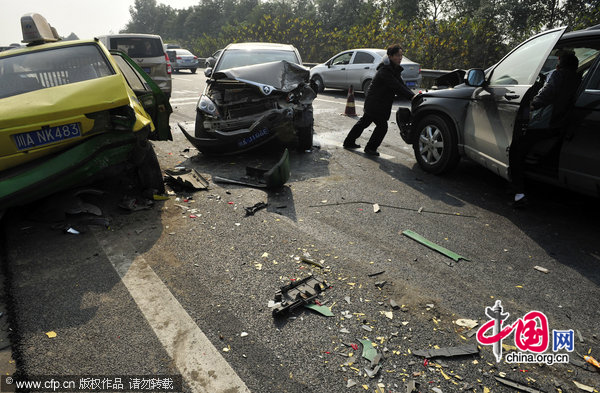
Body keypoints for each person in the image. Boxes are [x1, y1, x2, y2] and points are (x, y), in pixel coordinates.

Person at [509, 52, 582, 207]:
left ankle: (518, 194)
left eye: (558, 60)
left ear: (560, 64)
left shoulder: (558, 75)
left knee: (516, 149)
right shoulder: (578, 78)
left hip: (546, 124)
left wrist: (532, 104)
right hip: (561, 124)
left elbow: (547, 92)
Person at [343, 44, 416, 156]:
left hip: (379, 103)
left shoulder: (394, 70)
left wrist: (413, 96)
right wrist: (411, 97)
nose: (400, 58)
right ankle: (370, 148)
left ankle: (349, 142)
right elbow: (396, 86)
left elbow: (402, 86)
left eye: (401, 55)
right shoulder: (385, 71)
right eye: (397, 55)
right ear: (390, 56)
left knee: (364, 122)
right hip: (375, 103)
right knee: (382, 127)